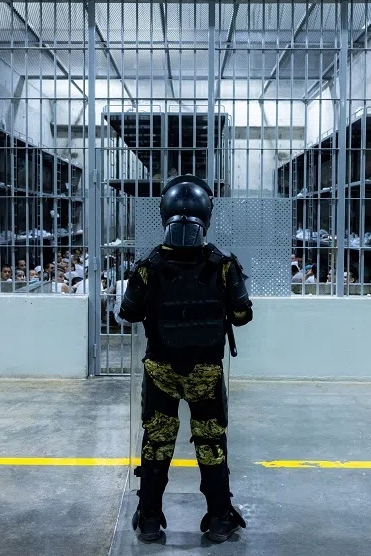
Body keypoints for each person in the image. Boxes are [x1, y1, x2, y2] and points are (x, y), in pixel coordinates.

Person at [119, 175, 253, 544]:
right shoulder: (223, 265)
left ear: (164, 213)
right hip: (206, 372)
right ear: (206, 215)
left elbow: (128, 313)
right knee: (211, 443)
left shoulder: (148, 266)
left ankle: (149, 518)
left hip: (161, 370)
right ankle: (220, 518)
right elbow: (242, 315)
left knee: (157, 442)